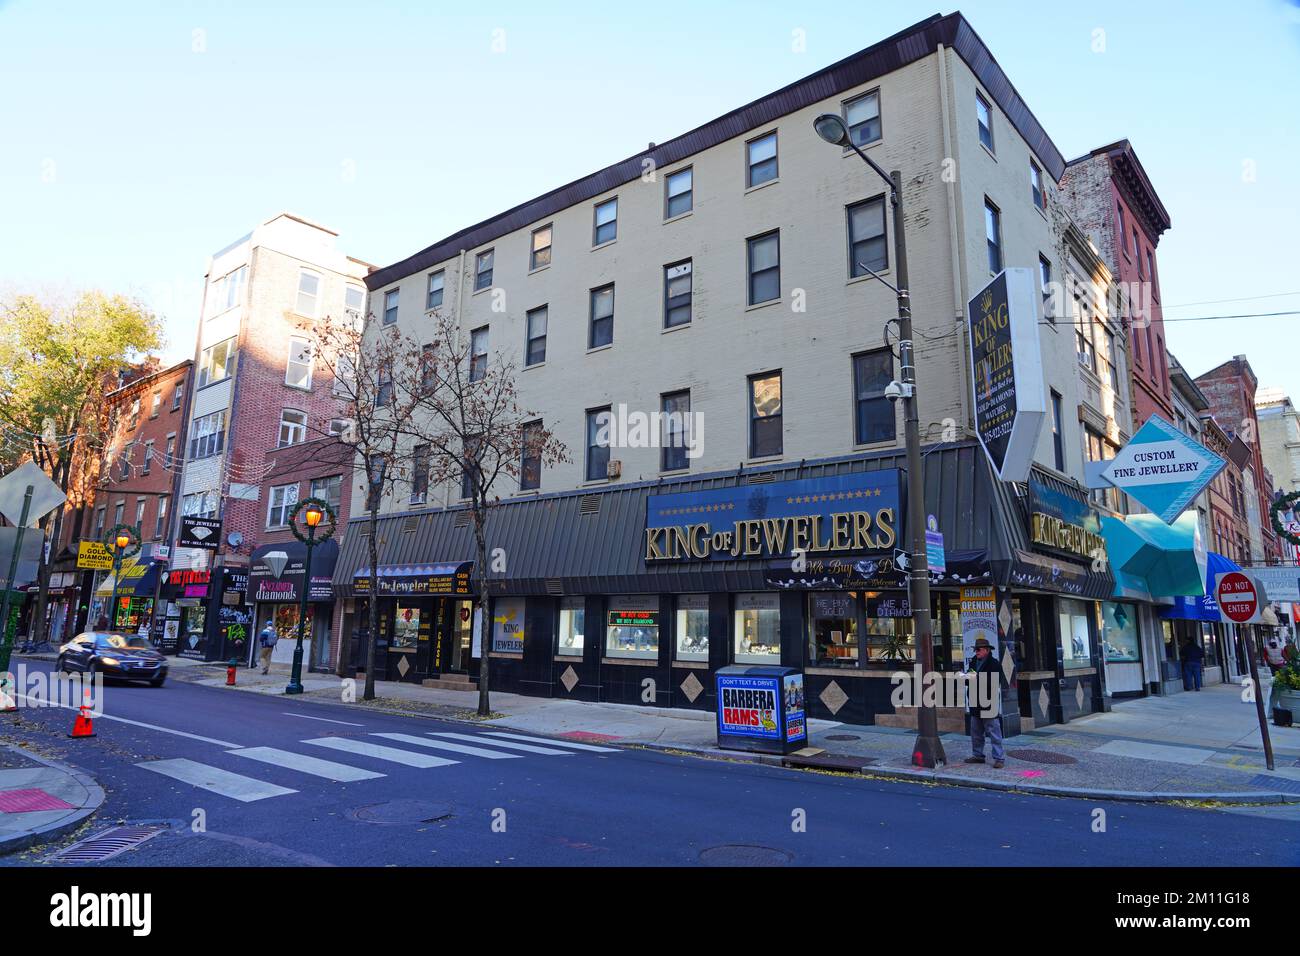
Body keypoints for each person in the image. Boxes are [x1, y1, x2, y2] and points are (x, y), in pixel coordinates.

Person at [964, 637, 1008, 769]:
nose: (976, 652)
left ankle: (999, 758)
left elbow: (995, 682)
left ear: (987, 650)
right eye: (975, 649)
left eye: (978, 649)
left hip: (988, 701)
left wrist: (978, 679)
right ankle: (978, 755)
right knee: (976, 731)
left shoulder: (994, 664)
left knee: (994, 731)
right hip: (975, 700)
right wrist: (966, 677)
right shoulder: (973, 662)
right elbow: (968, 679)